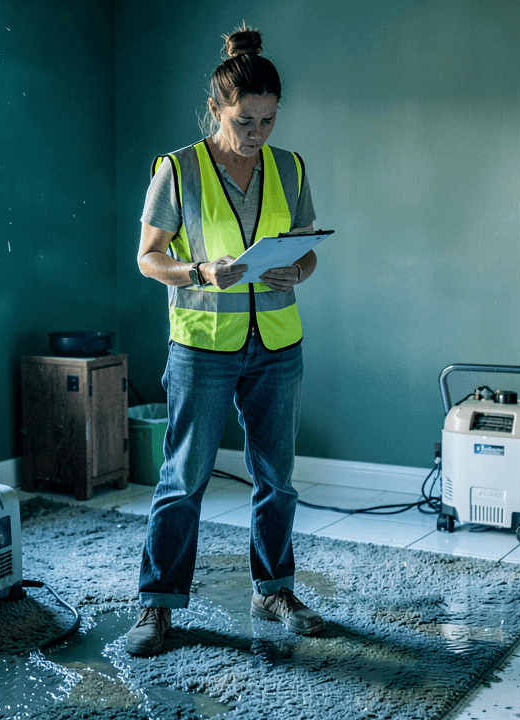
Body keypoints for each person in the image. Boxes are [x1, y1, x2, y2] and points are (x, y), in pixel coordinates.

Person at [124, 26, 323, 657]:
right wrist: (200, 273)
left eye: (268, 119)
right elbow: (147, 258)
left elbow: (307, 249)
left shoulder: (290, 169)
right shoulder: (177, 169)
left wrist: (300, 269)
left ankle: (275, 589)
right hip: (203, 345)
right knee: (183, 478)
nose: (258, 132)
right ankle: (158, 606)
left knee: (278, 480)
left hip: (277, 344)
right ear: (216, 109)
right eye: (244, 120)